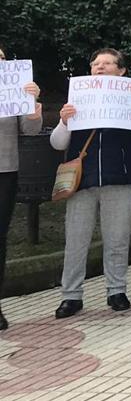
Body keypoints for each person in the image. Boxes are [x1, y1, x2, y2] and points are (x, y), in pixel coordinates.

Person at [49, 49, 131, 317]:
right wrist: (64, 121)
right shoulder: (77, 100)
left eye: (107, 63)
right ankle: (71, 296)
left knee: (117, 238)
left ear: (121, 71)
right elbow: (57, 143)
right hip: (82, 181)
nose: (100, 67)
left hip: (119, 178)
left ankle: (116, 290)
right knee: (76, 239)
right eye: (96, 64)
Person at [0, 46, 42, 330]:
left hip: (5, 170)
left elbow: (30, 131)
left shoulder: (12, 91)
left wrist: (32, 105)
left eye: (1, 59)